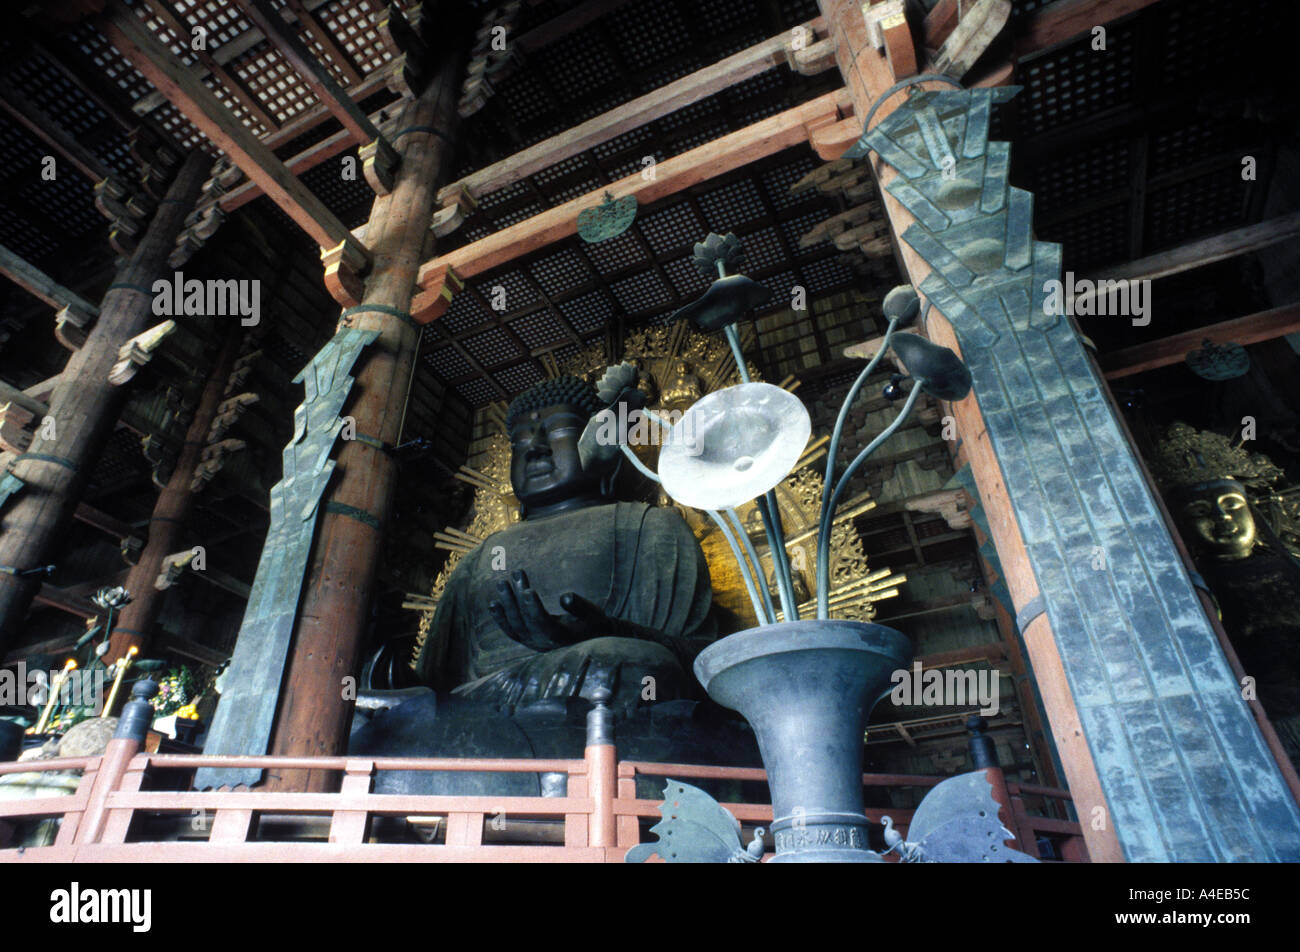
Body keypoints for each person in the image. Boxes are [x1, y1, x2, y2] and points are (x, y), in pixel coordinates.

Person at [415, 375, 716, 713]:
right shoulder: (481, 556)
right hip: (485, 703)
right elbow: (434, 681)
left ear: (603, 445)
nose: (536, 448)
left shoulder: (651, 526)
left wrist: (609, 630)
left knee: (637, 666)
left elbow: (704, 662)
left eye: (557, 432)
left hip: (598, 679)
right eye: (521, 442)